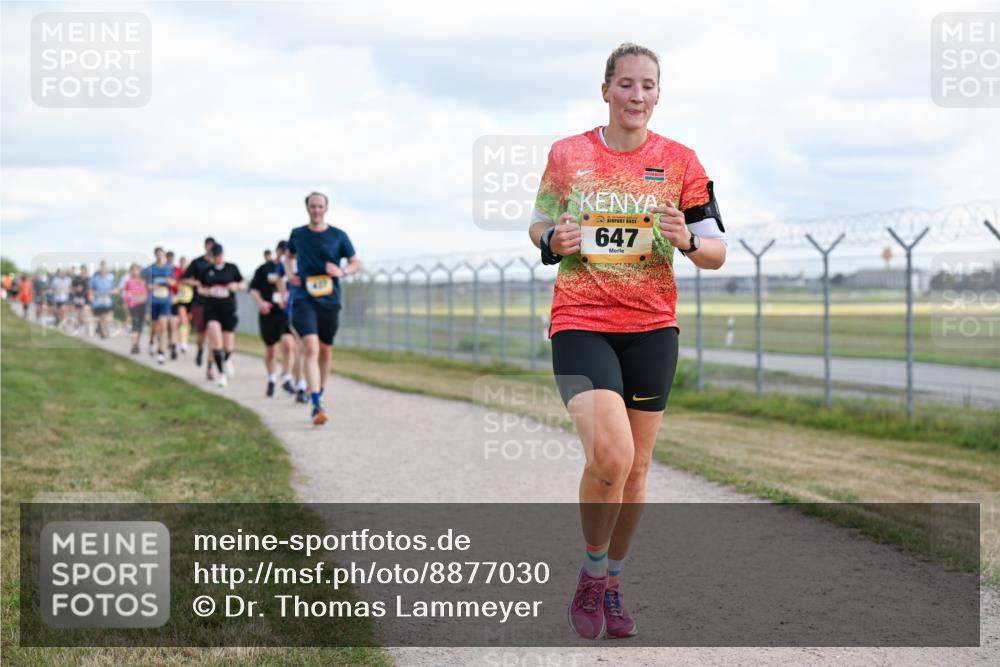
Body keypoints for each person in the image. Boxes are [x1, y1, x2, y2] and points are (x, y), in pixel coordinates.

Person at [527, 43, 728, 640]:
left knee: (637, 471)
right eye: (626, 84)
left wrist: (687, 242)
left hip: (651, 329)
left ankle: (612, 581)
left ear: (658, 94)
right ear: (606, 89)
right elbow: (538, 221)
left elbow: (716, 251)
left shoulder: (683, 161)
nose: (637, 96)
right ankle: (591, 574)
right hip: (582, 320)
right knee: (611, 457)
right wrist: (551, 240)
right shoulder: (568, 155)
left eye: (648, 86)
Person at [286, 191, 361, 424]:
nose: (316, 210)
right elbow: (289, 257)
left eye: (320, 206)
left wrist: (342, 272)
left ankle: (319, 391)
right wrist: (290, 274)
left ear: (326, 209)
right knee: (311, 346)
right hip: (304, 297)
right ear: (307, 208)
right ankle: (316, 404)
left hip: (330, 300)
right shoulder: (297, 234)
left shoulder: (338, 235)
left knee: (326, 351)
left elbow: (355, 262)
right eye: (312, 206)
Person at [249, 245, 297, 397]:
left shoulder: (294, 269)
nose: (283, 255)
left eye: (286, 253)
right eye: (281, 252)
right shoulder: (264, 269)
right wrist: (261, 302)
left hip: (285, 314)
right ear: (277, 252)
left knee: (289, 344)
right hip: (268, 314)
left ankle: (287, 378)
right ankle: (271, 379)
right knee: (271, 350)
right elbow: (253, 289)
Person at [197, 244, 245, 388]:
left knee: (228, 346)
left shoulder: (232, 268)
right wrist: (208, 291)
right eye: (215, 256)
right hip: (212, 309)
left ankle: (227, 359)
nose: (217, 258)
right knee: (217, 342)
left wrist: (236, 286)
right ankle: (221, 374)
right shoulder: (207, 271)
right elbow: (200, 288)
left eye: (219, 255)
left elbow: (243, 284)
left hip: (228, 309)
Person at [182, 237, 216, 374]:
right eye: (208, 245)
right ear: (205, 246)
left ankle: (210, 366)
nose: (210, 248)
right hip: (200, 302)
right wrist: (197, 283)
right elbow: (184, 279)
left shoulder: (219, 264)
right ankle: (200, 349)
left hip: (215, 303)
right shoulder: (197, 262)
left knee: (212, 334)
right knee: (201, 334)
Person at [146, 247, 175, 365]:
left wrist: (169, 282)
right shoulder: (151, 268)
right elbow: (146, 284)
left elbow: (174, 282)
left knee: (163, 326)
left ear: (163, 255)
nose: (159, 256)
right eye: (157, 254)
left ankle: (161, 353)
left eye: (161, 254)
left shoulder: (169, 268)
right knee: (154, 327)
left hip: (165, 301)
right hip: (154, 301)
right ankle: (152, 341)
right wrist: (151, 286)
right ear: (154, 255)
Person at [122, 263, 149, 354]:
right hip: (133, 307)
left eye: (137, 270)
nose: (135, 272)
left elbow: (145, 296)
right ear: (131, 271)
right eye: (133, 270)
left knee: (140, 327)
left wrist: (138, 298)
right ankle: (133, 345)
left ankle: (137, 344)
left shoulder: (143, 282)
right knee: (135, 326)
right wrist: (127, 313)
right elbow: (127, 297)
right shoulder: (129, 282)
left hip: (142, 306)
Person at [89, 261, 118, 339]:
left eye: (105, 268)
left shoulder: (111, 277)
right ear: (100, 268)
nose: (103, 269)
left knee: (108, 317)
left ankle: (101, 329)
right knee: (102, 316)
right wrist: (93, 295)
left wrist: (112, 291)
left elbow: (116, 289)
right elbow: (91, 290)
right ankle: (102, 330)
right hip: (99, 301)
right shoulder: (95, 279)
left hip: (108, 300)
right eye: (102, 268)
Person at [173, 255, 193, 353]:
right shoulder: (177, 274)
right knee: (183, 321)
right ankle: (183, 343)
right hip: (181, 300)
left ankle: (182, 339)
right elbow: (175, 285)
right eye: (181, 263)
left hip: (191, 300)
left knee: (186, 322)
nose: (183, 265)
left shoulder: (192, 274)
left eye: (184, 263)